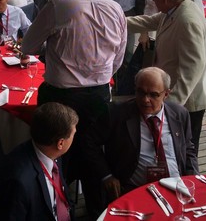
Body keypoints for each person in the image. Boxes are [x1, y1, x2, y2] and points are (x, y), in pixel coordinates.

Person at [20, 0, 126, 210]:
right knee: (93, 156)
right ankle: (95, 212)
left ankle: (54, 208)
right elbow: (118, 60)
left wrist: (53, 45)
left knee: (54, 156)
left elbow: (28, 46)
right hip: (99, 95)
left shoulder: (59, 5)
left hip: (60, 96)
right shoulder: (116, 9)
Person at [84, 67, 198, 215]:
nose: (145, 100)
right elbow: (88, 142)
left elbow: (189, 149)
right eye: (141, 92)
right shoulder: (116, 114)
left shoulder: (180, 114)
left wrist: (194, 180)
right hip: (133, 189)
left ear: (166, 94)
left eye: (153, 95)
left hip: (176, 188)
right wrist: (107, 175)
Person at [126, 0, 206, 155]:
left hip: (187, 102)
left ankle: (187, 182)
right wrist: (114, 20)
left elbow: (192, 69)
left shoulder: (187, 19)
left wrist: (171, 107)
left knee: (185, 150)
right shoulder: (174, 10)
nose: (152, 1)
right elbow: (148, 21)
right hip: (172, 96)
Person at [0, 102, 78, 221]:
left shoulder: (50, 151)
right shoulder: (19, 182)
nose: (74, 137)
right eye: (73, 134)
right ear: (60, 143)